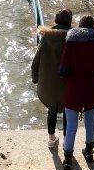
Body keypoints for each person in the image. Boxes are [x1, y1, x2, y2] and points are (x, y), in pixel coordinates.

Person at [59, 15, 94, 170]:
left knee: (72, 126)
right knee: (90, 123)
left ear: (79, 27)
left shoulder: (70, 44)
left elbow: (63, 70)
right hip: (92, 88)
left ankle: (67, 159)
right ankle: (89, 153)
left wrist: (67, 82)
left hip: (73, 89)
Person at [31, 8, 72, 149]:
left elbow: (35, 61)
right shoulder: (73, 38)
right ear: (70, 21)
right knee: (68, 111)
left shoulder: (46, 38)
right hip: (68, 82)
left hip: (49, 82)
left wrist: (35, 78)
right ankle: (67, 140)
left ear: (56, 21)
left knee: (51, 109)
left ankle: (51, 138)